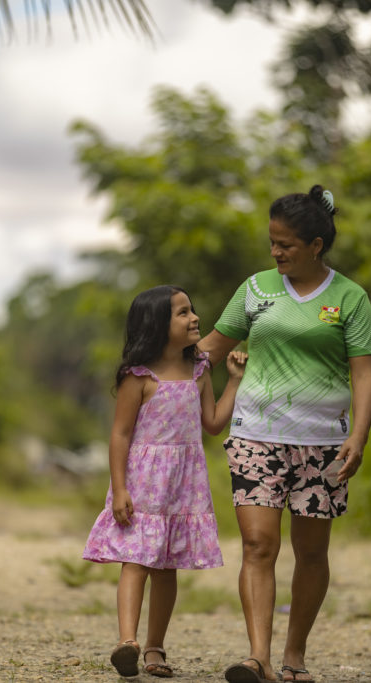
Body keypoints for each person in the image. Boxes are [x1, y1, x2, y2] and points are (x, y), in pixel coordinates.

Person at [198, 185, 371, 683]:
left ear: (317, 245)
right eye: (272, 242)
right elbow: (210, 350)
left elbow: (365, 373)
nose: (275, 252)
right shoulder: (255, 290)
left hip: (324, 443)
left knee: (312, 551)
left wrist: (358, 437)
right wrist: (154, 383)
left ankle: (294, 654)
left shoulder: (349, 297)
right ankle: (257, 656)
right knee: (258, 545)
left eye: (286, 245)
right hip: (255, 433)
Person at [82, 284, 248, 678]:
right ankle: (128, 642)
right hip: (142, 482)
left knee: (167, 566)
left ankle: (155, 648)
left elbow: (211, 424)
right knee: (136, 561)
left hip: (182, 483)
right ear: (157, 324)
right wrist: (119, 488)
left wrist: (235, 382)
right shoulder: (138, 376)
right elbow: (120, 434)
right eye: (183, 313)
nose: (194, 318)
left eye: (192, 310)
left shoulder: (200, 370)